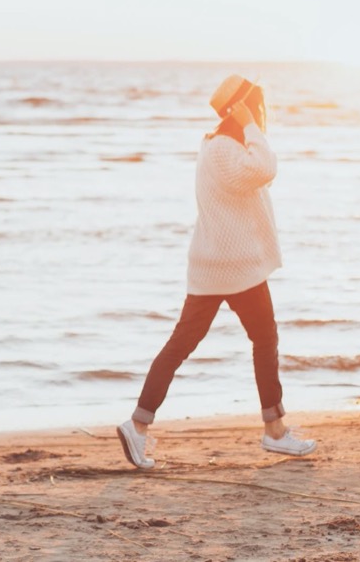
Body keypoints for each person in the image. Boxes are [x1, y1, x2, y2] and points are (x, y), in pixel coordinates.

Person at [116, 74, 317, 469]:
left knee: (182, 344)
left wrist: (246, 125)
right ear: (242, 109)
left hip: (212, 266)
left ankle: (138, 425)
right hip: (236, 267)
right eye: (255, 106)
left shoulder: (213, 145)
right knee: (264, 340)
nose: (261, 114)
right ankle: (274, 431)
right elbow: (265, 168)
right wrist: (249, 123)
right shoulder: (228, 147)